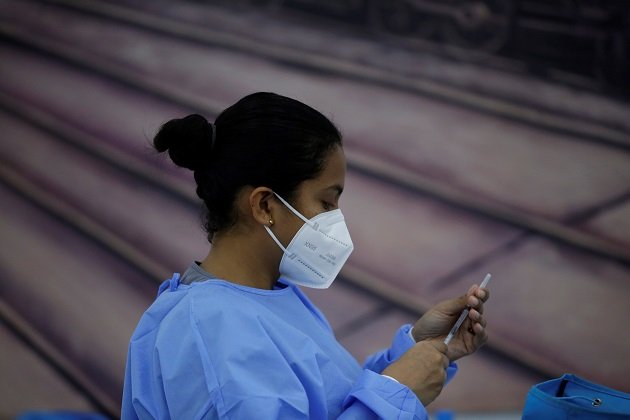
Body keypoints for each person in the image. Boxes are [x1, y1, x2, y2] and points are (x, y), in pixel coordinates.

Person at [121, 92, 489, 419]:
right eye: (326, 201)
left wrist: (416, 351)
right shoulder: (210, 329)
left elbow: (331, 401)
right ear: (265, 205)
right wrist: (396, 394)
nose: (336, 220)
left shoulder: (268, 298)